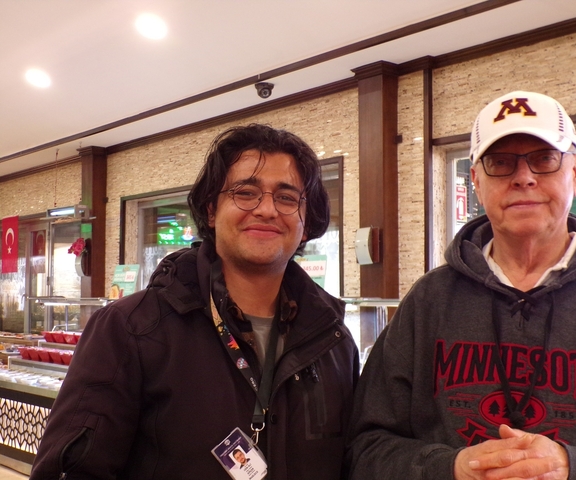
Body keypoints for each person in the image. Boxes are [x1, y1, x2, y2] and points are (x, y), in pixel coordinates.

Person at [31, 124, 359, 479]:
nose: (266, 209)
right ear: (211, 211)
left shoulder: (335, 343)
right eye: (245, 192)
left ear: (305, 222)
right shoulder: (131, 330)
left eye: (286, 197)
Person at [346, 91, 576, 479]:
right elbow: (364, 449)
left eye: (544, 159)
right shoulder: (428, 301)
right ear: (477, 183)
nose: (524, 177)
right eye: (501, 163)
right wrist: (449, 468)